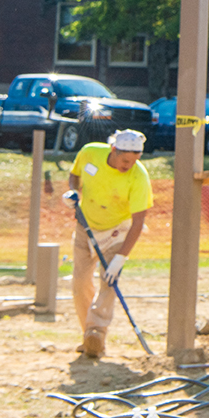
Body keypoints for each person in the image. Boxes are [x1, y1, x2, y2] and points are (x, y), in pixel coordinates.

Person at [67, 128, 153, 357]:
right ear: (114, 149)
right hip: (86, 226)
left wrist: (120, 258)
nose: (129, 165)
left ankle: (97, 332)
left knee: (108, 282)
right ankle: (88, 333)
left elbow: (138, 222)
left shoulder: (138, 177)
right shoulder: (90, 153)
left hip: (118, 231)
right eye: (125, 160)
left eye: (135, 160)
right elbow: (74, 175)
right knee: (80, 281)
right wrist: (73, 192)